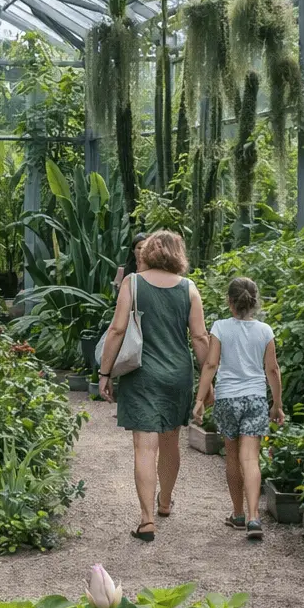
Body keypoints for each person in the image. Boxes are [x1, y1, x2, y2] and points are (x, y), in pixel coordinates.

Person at [99, 231, 209, 542]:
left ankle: (147, 520)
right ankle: (164, 502)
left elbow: (118, 328)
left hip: (142, 375)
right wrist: (207, 380)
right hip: (178, 375)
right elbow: (200, 339)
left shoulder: (132, 283)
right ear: (178, 254)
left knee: (144, 448)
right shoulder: (189, 289)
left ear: (147, 252)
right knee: (171, 442)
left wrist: (105, 372)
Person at [192, 276, 284, 541]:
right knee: (250, 459)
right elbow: (272, 369)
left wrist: (200, 399)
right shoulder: (265, 331)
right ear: (254, 302)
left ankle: (238, 514)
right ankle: (255, 517)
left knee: (232, 457)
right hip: (255, 399)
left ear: (230, 302)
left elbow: (210, 365)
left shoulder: (220, 328)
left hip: (227, 400)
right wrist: (276, 404)